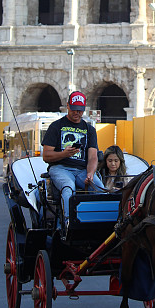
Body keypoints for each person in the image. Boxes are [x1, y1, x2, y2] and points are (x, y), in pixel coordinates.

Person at [42, 91, 104, 229]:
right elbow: (46, 156)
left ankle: (103, 224)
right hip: (60, 168)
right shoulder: (56, 126)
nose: (77, 113)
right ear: (68, 106)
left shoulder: (89, 129)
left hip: (82, 170)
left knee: (100, 189)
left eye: (80, 110)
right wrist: (64, 154)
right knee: (68, 188)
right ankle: (68, 224)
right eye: (74, 109)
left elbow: (93, 156)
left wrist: (90, 173)